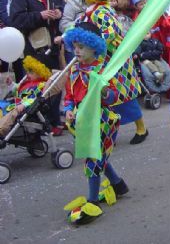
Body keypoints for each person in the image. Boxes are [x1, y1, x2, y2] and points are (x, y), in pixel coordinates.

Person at [62, 22, 129, 225]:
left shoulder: (104, 70)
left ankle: (92, 201)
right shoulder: (73, 71)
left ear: (94, 47)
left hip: (103, 121)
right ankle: (118, 184)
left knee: (93, 159)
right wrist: (68, 112)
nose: (77, 51)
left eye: (81, 47)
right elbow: (70, 97)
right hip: (82, 122)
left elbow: (116, 95)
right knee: (98, 157)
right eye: (74, 46)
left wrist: (103, 90)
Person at [77, 0, 148, 144]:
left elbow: (111, 31)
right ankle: (108, 133)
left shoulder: (101, 12)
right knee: (106, 99)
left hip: (114, 61)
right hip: (102, 61)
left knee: (122, 96)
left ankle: (141, 128)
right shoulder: (92, 11)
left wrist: (93, 42)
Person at [9, 0, 65, 134]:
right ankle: (41, 124)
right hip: (32, 51)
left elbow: (64, 8)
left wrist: (59, 13)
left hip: (52, 48)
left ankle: (54, 121)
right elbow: (16, 20)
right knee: (38, 88)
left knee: (54, 86)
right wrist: (39, 15)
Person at [0, 55, 51, 138]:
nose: (28, 74)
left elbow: (34, 98)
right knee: (2, 105)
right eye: (27, 71)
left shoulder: (40, 85)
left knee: (13, 113)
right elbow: (18, 92)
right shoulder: (27, 83)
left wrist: (24, 104)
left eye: (31, 72)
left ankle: (2, 129)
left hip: (26, 108)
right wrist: (11, 84)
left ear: (39, 73)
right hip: (15, 104)